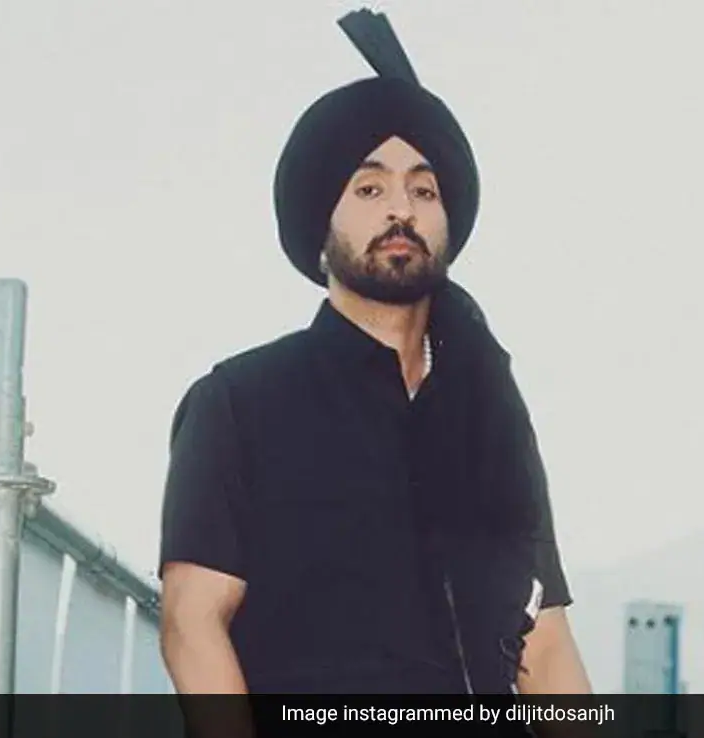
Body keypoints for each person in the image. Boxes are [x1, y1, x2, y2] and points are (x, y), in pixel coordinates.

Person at [157, 8, 590, 695]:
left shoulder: (489, 414)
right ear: (320, 220)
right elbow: (192, 622)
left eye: (423, 189)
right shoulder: (240, 403)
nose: (401, 210)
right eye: (369, 188)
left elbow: (548, 644)